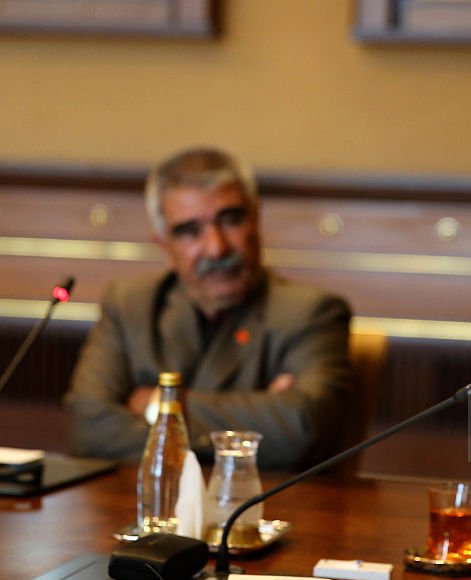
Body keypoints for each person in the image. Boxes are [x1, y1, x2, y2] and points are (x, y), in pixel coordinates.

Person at [65, 147, 353, 469]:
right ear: (163, 244)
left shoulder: (311, 313)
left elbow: (300, 430)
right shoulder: (130, 304)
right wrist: (256, 421)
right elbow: (88, 430)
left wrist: (155, 407)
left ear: (256, 220)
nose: (216, 247)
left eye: (230, 220)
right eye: (189, 231)